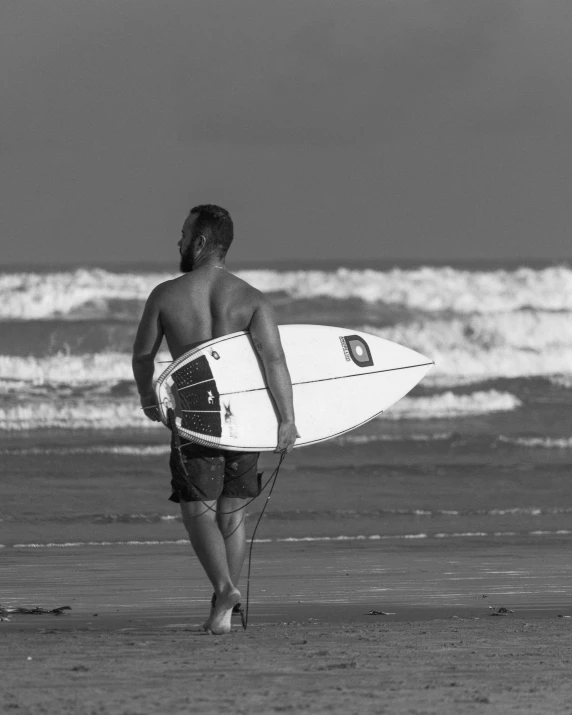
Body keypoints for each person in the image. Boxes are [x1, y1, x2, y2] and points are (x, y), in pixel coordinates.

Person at [132, 204, 299, 634]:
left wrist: (150, 397)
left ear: (201, 242)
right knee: (232, 512)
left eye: (184, 234)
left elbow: (143, 356)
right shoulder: (252, 299)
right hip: (245, 418)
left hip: (196, 415)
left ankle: (224, 588)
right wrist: (286, 419)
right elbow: (274, 360)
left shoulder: (166, 295)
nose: (178, 241)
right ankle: (224, 607)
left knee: (196, 509)